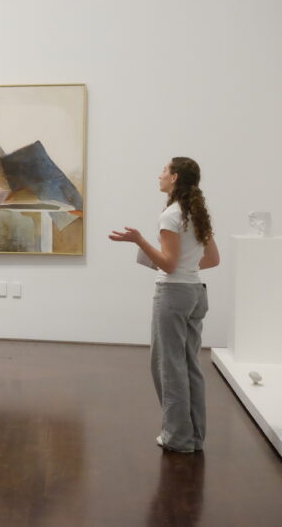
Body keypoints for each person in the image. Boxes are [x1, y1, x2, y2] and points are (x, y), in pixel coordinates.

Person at [110, 157, 220, 453]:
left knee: (168, 368)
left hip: (173, 296)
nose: (159, 175)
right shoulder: (197, 213)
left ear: (174, 178)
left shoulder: (171, 215)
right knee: (189, 366)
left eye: (164, 170)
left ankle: (177, 438)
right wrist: (180, 265)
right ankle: (194, 437)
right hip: (196, 293)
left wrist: (139, 241)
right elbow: (211, 260)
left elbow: (169, 266)